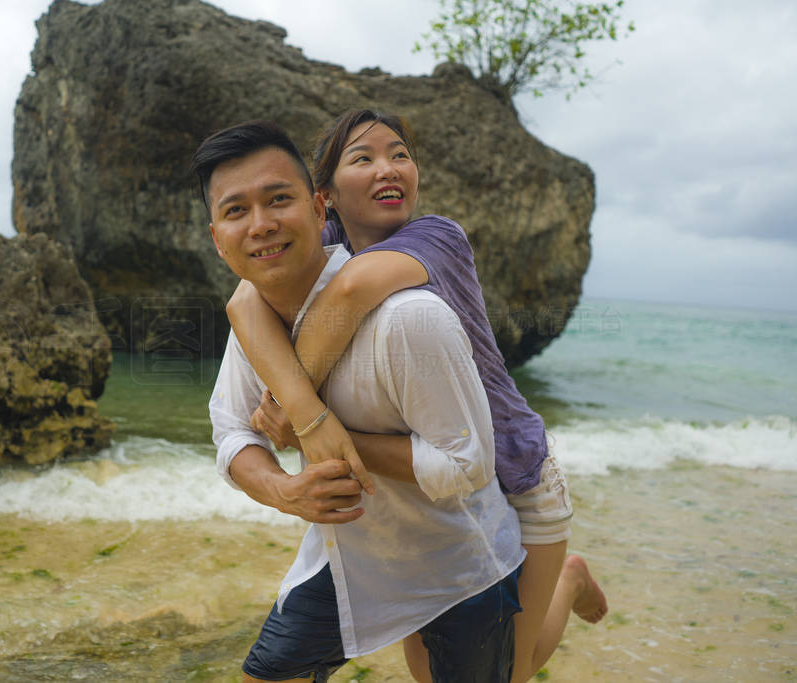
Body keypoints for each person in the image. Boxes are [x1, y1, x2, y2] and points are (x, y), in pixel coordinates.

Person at [227, 109, 608, 683]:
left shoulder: (438, 236)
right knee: (425, 669)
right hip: (438, 503)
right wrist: (301, 415)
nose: (389, 168)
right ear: (323, 198)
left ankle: (570, 577)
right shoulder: (325, 238)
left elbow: (350, 291)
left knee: (514, 672)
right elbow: (245, 302)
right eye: (364, 158)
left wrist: (293, 412)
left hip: (519, 476)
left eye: (399, 154)